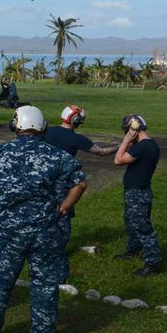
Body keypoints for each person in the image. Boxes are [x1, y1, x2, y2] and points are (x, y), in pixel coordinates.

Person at [0, 106, 88, 333]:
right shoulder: (56, 155)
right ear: (42, 127)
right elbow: (81, 183)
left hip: (7, 232)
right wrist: (64, 207)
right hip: (45, 231)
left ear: (16, 126)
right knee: (44, 285)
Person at [43, 105, 118, 278]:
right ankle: (56, 258)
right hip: (63, 185)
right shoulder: (76, 138)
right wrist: (123, 145)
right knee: (63, 220)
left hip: (44, 181)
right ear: (76, 120)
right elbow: (102, 152)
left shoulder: (47, 132)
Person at [113, 114, 162, 276]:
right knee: (131, 223)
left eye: (126, 131)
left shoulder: (143, 147)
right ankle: (133, 250)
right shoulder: (149, 145)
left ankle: (153, 262)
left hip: (138, 193)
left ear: (132, 130)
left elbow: (118, 160)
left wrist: (126, 141)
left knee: (142, 228)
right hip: (137, 191)